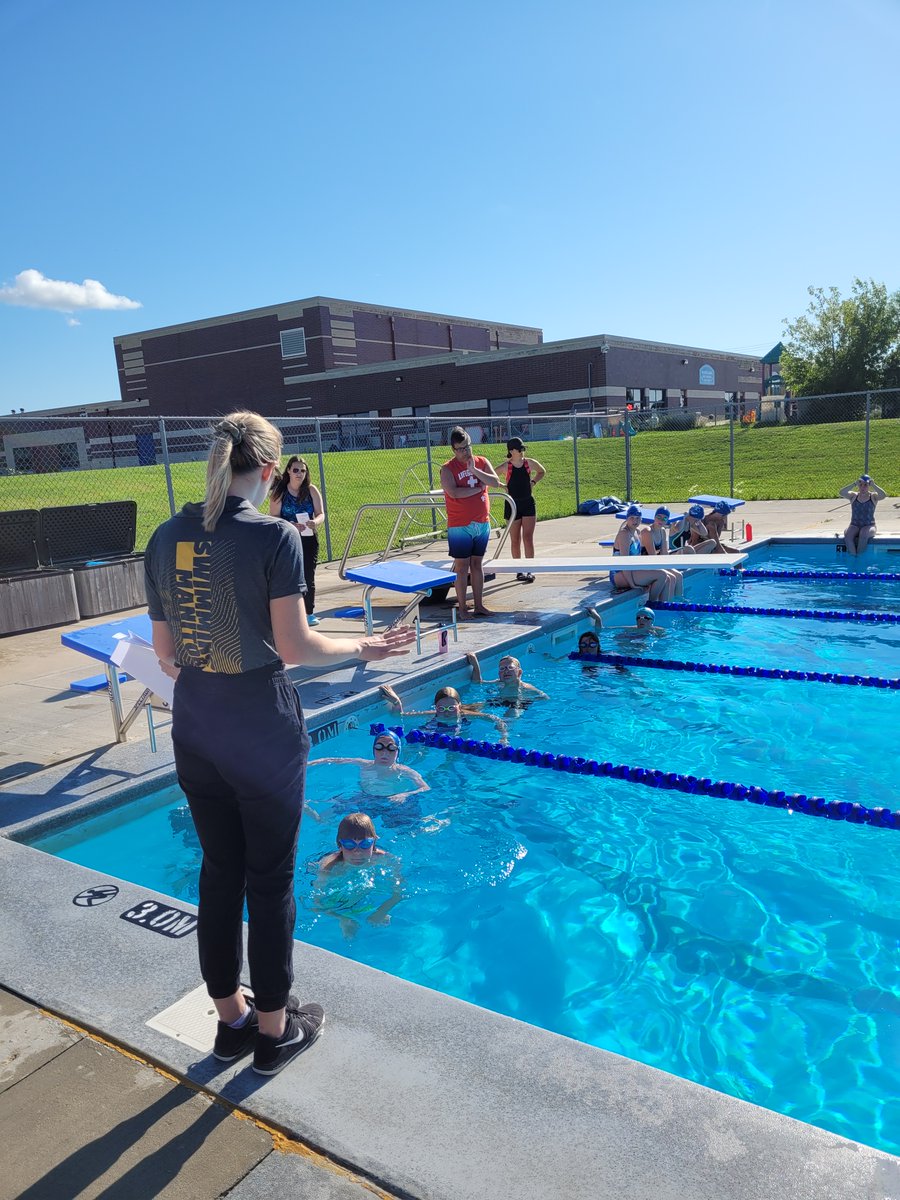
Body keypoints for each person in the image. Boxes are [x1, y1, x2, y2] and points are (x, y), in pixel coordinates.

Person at [144, 411, 415, 1077]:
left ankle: (231, 1024)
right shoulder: (276, 536)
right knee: (268, 886)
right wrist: (368, 645)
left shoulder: (165, 536)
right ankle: (274, 1034)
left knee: (218, 875)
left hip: (196, 729)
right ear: (269, 470)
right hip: (260, 731)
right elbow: (296, 647)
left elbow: (166, 655)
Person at [440, 427, 501, 619]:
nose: (466, 452)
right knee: (462, 566)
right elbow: (454, 493)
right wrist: (479, 489)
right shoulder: (448, 468)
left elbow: (496, 482)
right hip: (460, 525)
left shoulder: (481, 462)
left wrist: (474, 470)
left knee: (477, 564)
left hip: (481, 523)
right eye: (461, 449)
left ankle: (479, 605)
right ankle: (463, 608)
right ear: (453, 450)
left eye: (468, 447)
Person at [314, 813, 404, 938]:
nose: (357, 852)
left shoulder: (385, 859)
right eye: (349, 845)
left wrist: (381, 911)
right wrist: (342, 918)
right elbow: (316, 903)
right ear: (339, 845)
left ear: (374, 842)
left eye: (365, 844)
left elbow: (399, 891)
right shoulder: (329, 868)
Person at [269, 456, 325, 625]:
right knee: (289, 576)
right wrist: (290, 525)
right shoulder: (280, 493)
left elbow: (321, 514)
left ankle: (308, 612)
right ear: (288, 471)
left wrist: (314, 522)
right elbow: (274, 517)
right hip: (288, 541)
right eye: (295, 470)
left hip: (308, 538)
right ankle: (289, 613)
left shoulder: (311, 490)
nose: (299, 473)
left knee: (308, 574)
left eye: (302, 470)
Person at [308, 729, 429, 804]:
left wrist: (404, 795)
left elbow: (425, 787)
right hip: (366, 799)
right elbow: (334, 760)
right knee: (334, 806)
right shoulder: (364, 764)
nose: (384, 753)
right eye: (379, 747)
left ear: (398, 752)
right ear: (373, 750)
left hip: (393, 802)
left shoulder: (405, 771)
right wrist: (309, 763)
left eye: (391, 749)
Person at [379, 683, 509, 741]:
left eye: (451, 708)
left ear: (459, 706)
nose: (446, 713)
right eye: (441, 709)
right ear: (435, 708)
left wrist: (503, 738)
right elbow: (400, 716)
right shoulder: (431, 715)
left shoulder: (467, 715)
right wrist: (397, 702)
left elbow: (496, 719)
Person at [495, 437, 545, 583]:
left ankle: (530, 570)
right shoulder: (506, 466)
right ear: (511, 451)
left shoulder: (529, 462)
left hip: (528, 503)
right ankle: (519, 570)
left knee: (528, 538)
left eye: (523, 449)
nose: (523, 451)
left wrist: (533, 481)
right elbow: (491, 476)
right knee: (515, 539)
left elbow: (542, 471)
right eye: (520, 449)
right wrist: (502, 486)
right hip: (512, 506)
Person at [612, 505, 681, 602]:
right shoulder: (624, 535)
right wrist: (632, 584)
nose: (635, 521)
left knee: (668, 578)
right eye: (632, 518)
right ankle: (651, 605)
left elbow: (638, 557)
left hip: (632, 570)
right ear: (627, 519)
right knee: (661, 575)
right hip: (619, 575)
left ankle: (665, 607)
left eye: (637, 518)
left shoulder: (637, 532)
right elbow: (624, 563)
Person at [466, 650, 549, 703]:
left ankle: (505, 730)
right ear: (499, 674)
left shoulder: (525, 687)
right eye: (502, 669)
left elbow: (545, 697)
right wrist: (475, 665)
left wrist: (527, 700)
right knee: (470, 708)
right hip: (498, 701)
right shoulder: (498, 682)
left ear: (519, 673)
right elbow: (477, 683)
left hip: (516, 704)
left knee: (511, 715)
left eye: (510, 668)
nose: (506, 671)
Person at [639, 507, 685, 595]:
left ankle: (677, 602)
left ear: (667, 520)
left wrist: (670, 566)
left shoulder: (662, 531)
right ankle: (667, 603)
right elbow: (653, 557)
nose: (661, 520)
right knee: (671, 578)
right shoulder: (647, 532)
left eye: (664, 518)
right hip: (644, 566)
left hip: (654, 563)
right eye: (658, 517)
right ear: (654, 517)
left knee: (679, 575)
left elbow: (664, 554)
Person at [840, 474, 886, 555]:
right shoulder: (854, 496)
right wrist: (854, 484)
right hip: (854, 525)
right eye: (860, 485)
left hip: (869, 526)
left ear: (869, 486)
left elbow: (883, 495)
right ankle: (854, 558)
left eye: (865, 485)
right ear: (858, 485)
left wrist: (874, 485)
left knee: (863, 534)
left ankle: (859, 559)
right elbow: (841, 492)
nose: (863, 487)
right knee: (848, 536)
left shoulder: (873, 496)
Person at [589, 605, 665, 638]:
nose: (641, 619)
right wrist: (598, 619)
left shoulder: (659, 632)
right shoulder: (631, 629)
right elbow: (602, 630)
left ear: (652, 621)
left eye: (645, 617)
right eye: (638, 618)